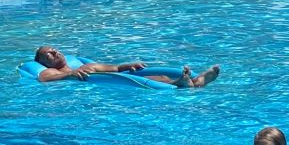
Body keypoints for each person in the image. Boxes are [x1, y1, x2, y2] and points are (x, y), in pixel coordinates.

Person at [32, 46, 221, 88]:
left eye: (55, 49)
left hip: (110, 81)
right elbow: (44, 79)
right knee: (156, 81)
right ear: (42, 61)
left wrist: (128, 64)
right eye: (48, 53)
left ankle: (195, 81)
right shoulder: (50, 72)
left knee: (158, 77)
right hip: (100, 87)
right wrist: (70, 75)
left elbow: (114, 68)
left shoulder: (88, 65)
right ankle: (191, 83)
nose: (55, 52)